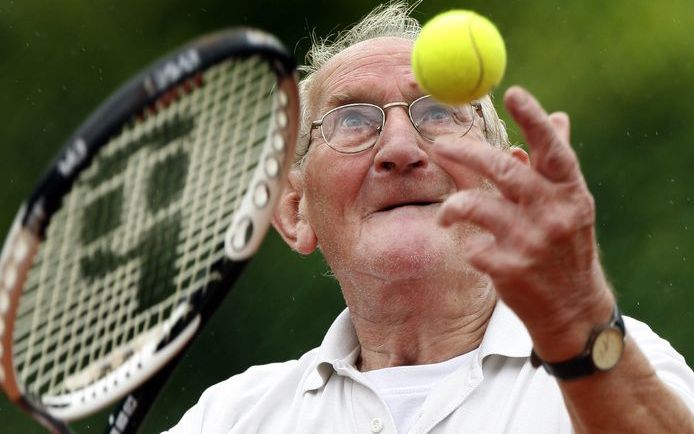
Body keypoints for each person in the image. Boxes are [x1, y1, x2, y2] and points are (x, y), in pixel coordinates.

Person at [165, 2, 694, 433]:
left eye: (439, 112)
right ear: (295, 210)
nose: (400, 148)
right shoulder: (230, 418)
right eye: (352, 119)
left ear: (510, 190)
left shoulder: (621, 367)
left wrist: (580, 322)